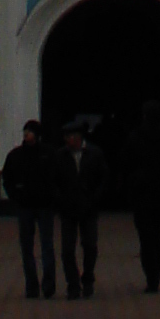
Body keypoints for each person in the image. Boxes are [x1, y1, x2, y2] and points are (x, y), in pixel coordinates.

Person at [2, 117, 58, 300]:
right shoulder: (15, 156)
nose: (27, 134)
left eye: (31, 131)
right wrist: (16, 197)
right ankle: (31, 286)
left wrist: (52, 197)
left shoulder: (48, 154)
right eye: (25, 131)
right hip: (25, 206)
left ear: (38, 134)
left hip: (44, 206)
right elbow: (7, 178)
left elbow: (56, 178)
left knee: (47, 246)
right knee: (26, 247)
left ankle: (49, 285)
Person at [127, 98, 160, 295]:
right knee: (157, 235)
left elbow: (127, 163)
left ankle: (151, 277)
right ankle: (156, 274)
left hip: (141, 194)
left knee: (145, 238)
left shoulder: (135, 137)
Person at [59, 121, 107, 299]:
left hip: (89, 208)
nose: (67, 141)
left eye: (69, 137)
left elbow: (103, 178)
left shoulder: (94, 154)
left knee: (90, 245)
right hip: (68, 209)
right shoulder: (61, 156)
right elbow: (54, 180)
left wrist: (95, 198)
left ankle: (88, 277)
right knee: (67, 250)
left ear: (78, 138)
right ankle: (72, 284)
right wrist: (61, 200)